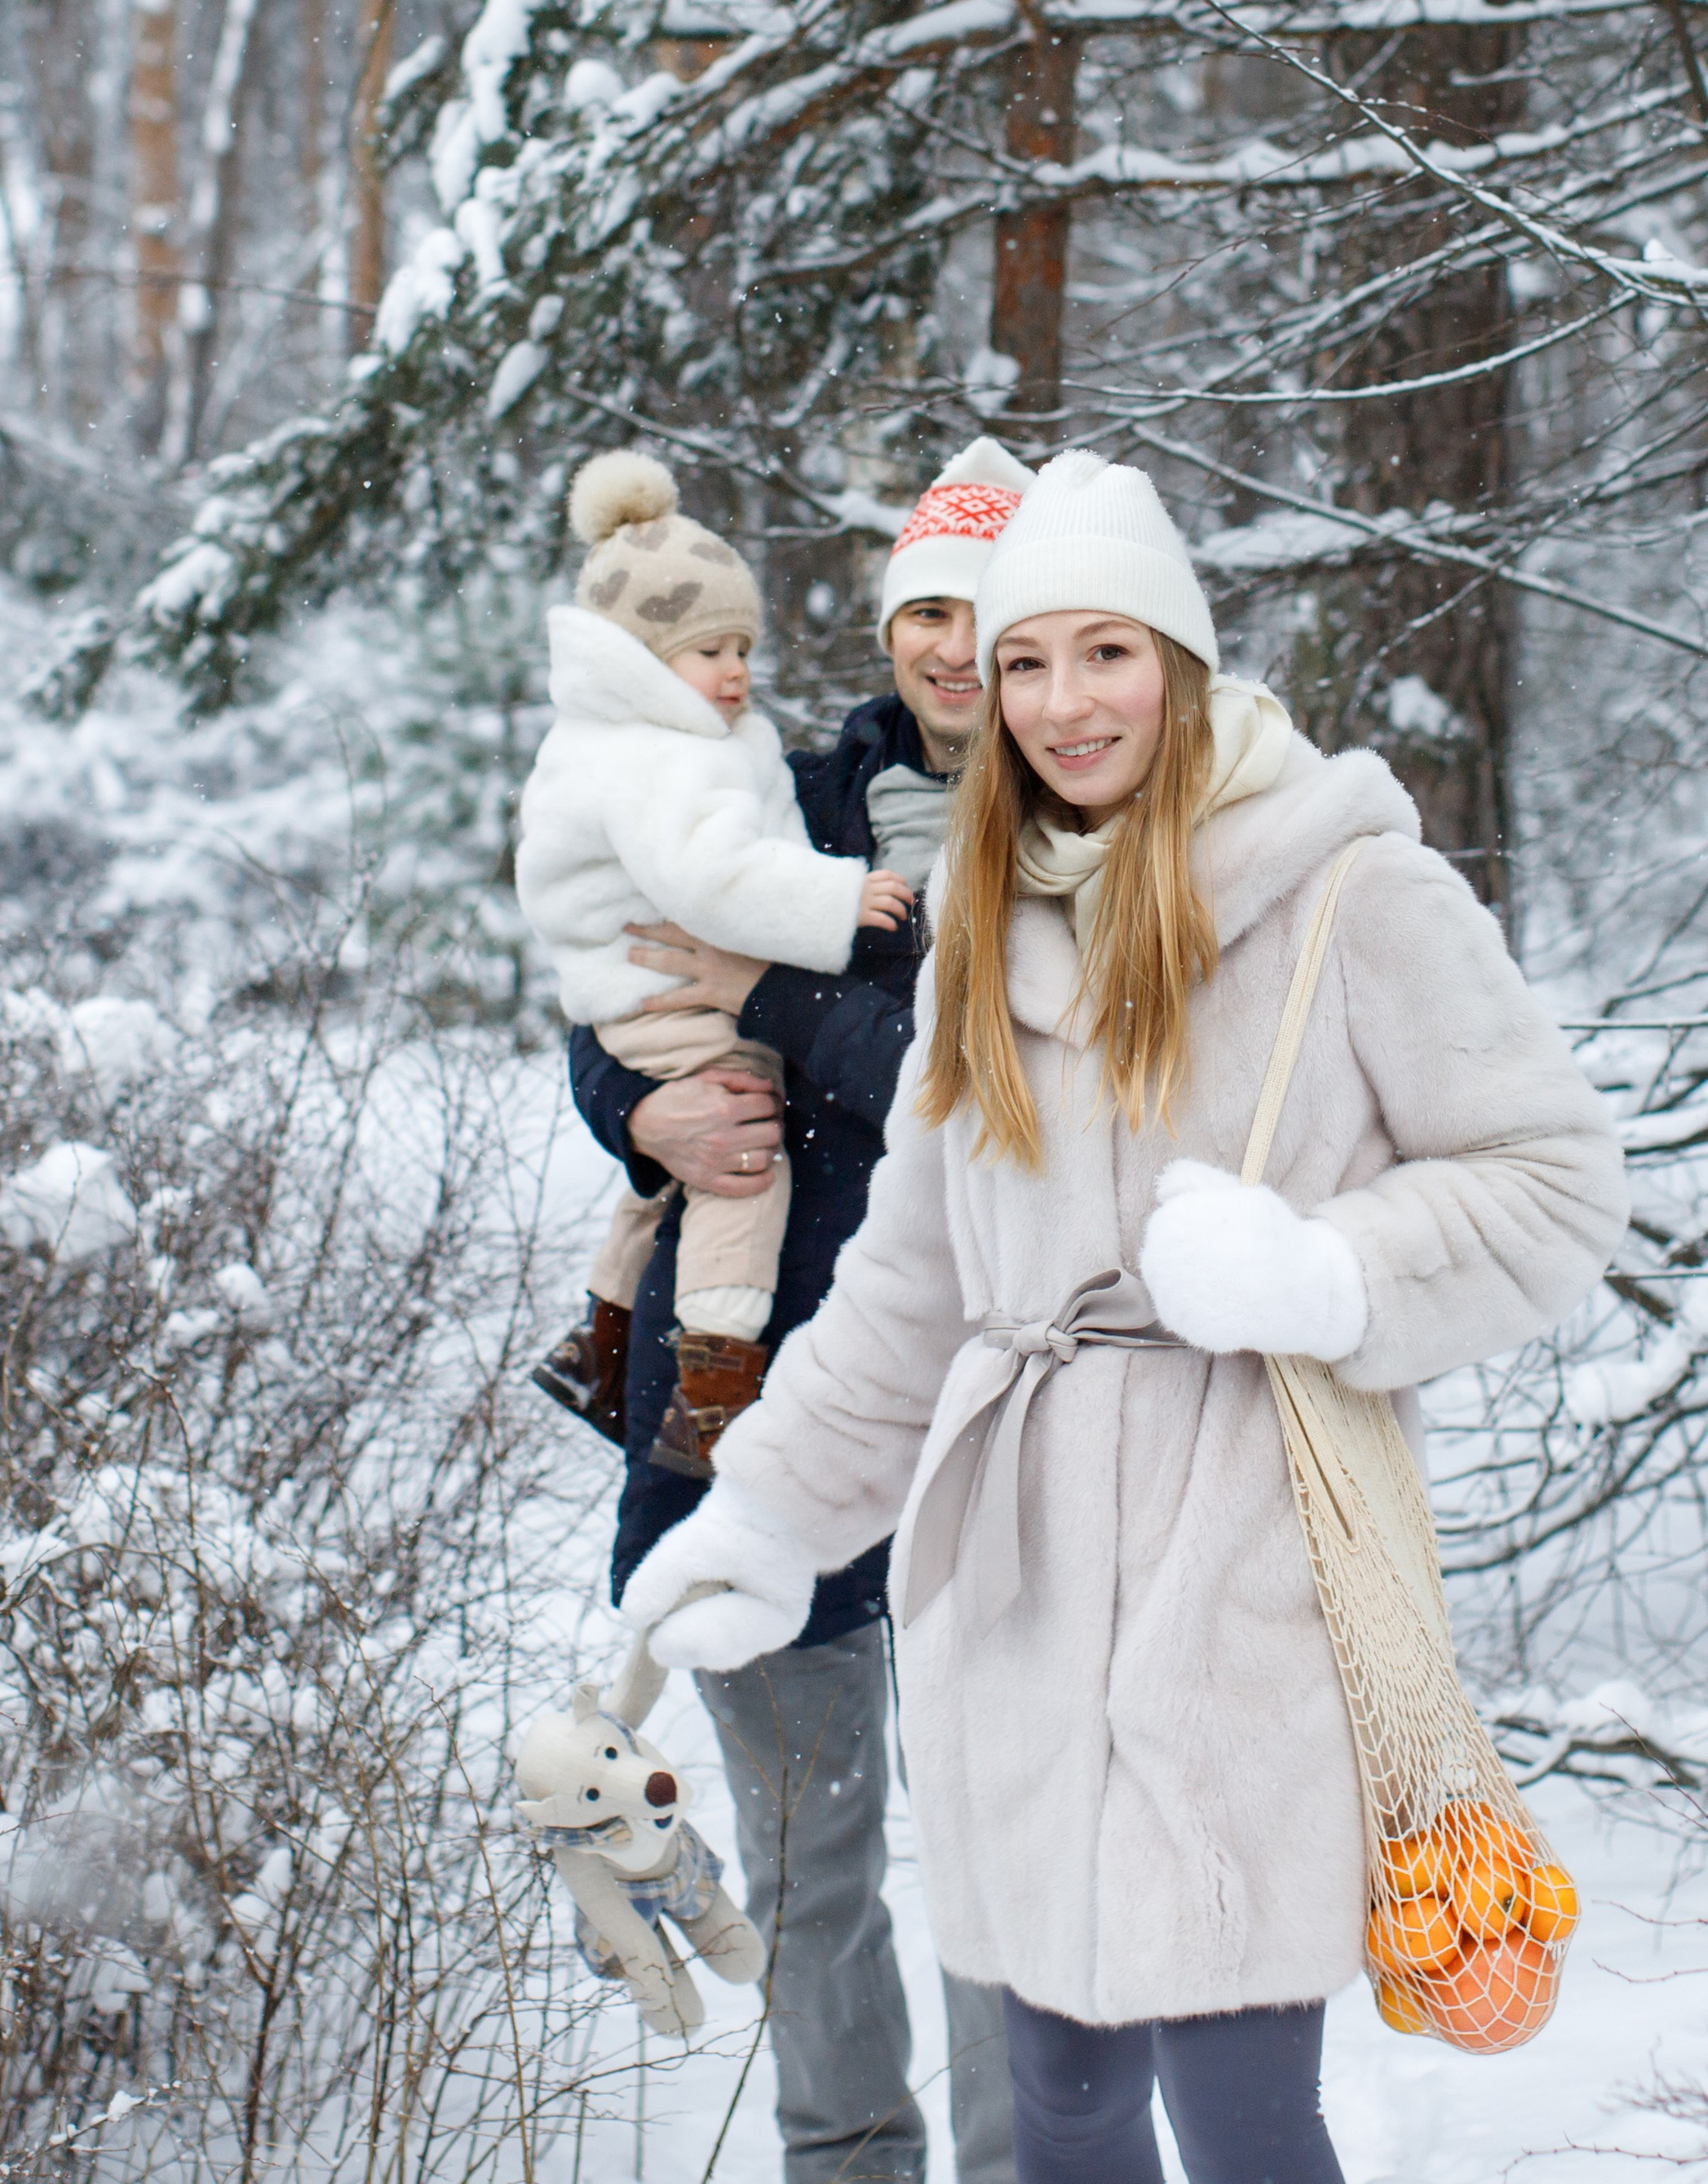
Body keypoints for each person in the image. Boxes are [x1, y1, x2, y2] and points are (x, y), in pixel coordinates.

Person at [621, 449, 1630, 2184]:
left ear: (1176, 655)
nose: (1063, 701)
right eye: (1025, 660)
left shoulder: (1345, 895)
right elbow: (916, 1287)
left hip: (1243, 1574)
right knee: (1067, 2110)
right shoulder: (977, 931)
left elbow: (1552, 1186)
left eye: (1106, 653)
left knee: (1240, 2116)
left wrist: (1327, 1273)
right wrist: (771, 1508)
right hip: (1011, 1601)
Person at [565, 436, 1032, 2184]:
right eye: (923, 607)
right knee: (808, 1854)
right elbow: (619, 964)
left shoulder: (1088, 824)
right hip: (763, 1399)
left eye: (984, 613)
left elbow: (972, 1090)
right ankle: (848, 2164)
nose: (948, 649)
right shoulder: (773, 791)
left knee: (1006, 1845)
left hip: (1007, 1408)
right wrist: (644, 1109)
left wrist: (772, 985)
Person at [520, 451, 913, 1474]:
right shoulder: (668, 756)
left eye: (741, 644)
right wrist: (837, 902)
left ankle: (597, 1340)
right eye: (707, 649)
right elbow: (715, 880)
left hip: (640, 997)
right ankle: (717, 1382)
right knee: (743, 1159)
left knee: (669, 1187)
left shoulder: (632, 741)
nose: (735, 671)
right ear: (645, 662)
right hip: (663, 1002)